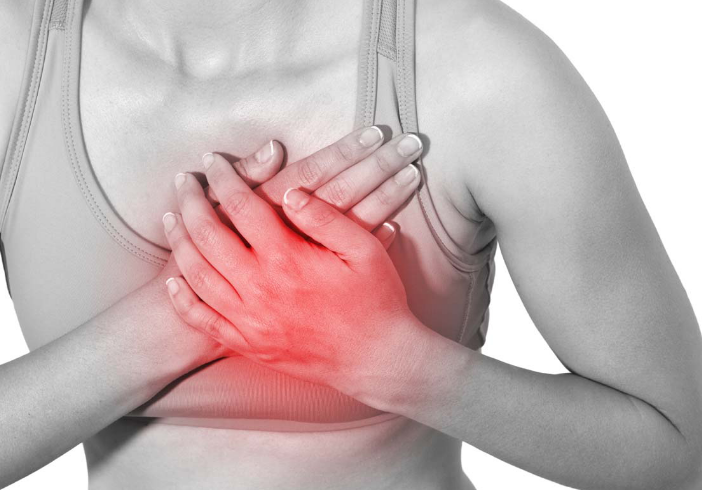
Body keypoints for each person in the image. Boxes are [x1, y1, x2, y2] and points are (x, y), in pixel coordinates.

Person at [1, 1, 701, 490]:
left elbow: (680, 451)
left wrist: (394, 363)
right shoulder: (14, 58)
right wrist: (190, 314)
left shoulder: (478, 70)